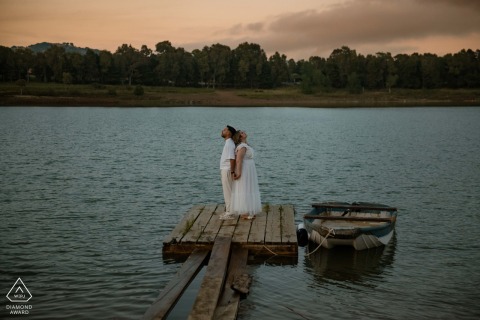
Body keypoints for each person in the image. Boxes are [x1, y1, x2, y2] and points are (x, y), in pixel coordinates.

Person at [230, 130, 262, 219]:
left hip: (249, 169)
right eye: (242, 133)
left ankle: (249, 209)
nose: (244, 133)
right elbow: (239, 160)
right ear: (240, 137)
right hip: (245, 169)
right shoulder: (242, 146)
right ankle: (244, 211)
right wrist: (239, 172)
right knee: (244, 187)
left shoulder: (246, 145)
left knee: (249, 187)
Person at [219, 125, 237, 220]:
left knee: (228, 192)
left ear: (229, 133)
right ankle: (229, 211)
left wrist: (232, 171)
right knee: (228, 191)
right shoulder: (228, 143)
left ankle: (230, 213)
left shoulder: (229, 143)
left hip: (227, 170)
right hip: (225, 169)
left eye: (225, 130)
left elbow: (232, 158)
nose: (222, 131)